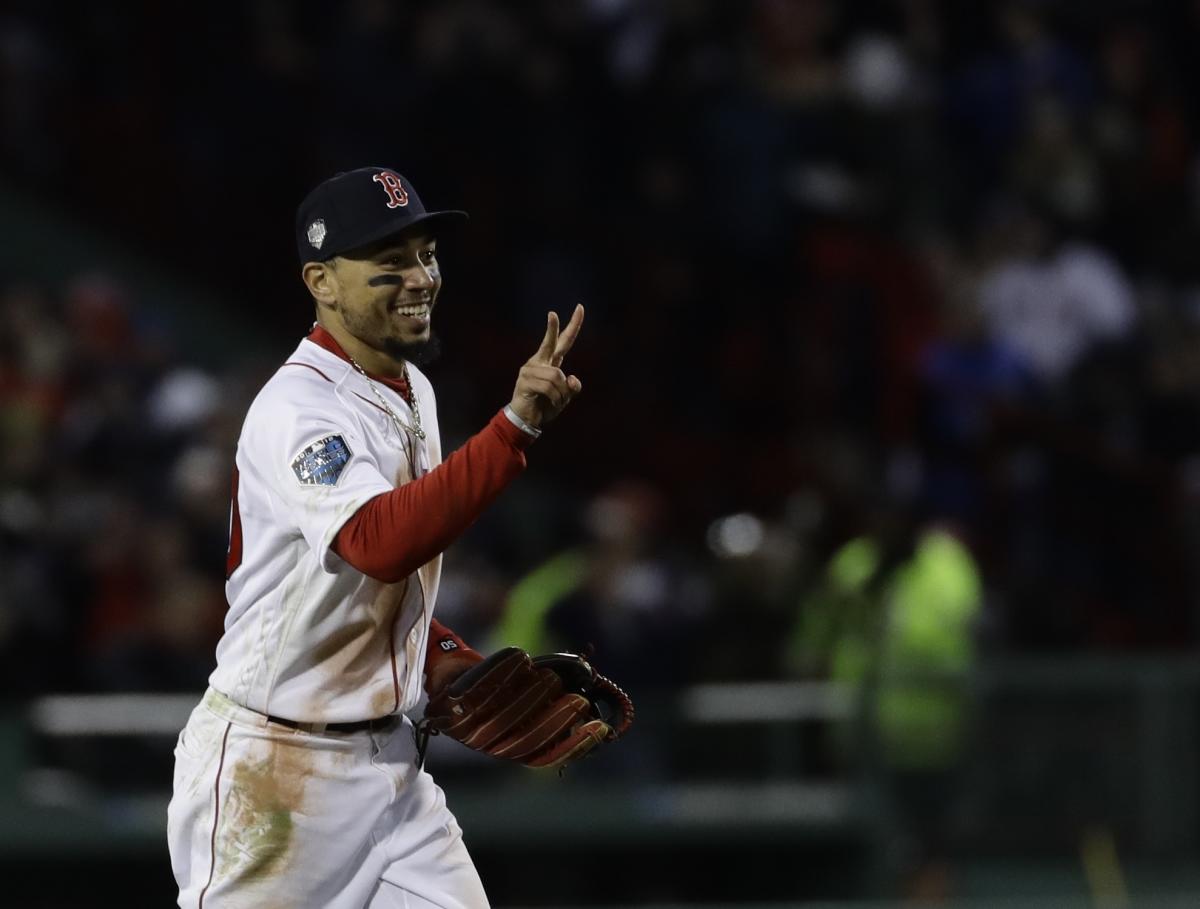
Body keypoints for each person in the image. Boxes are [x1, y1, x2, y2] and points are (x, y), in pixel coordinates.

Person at [167, 166, 585, 908]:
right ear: (322, 281)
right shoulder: (299, 407)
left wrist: (436, 653)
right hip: (277, 770)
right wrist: (512, 429)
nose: (420, 277)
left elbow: (370, 582)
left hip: (392, 765)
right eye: (389, 264)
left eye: (426, 255)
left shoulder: (411, 386)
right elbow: (377, 542)